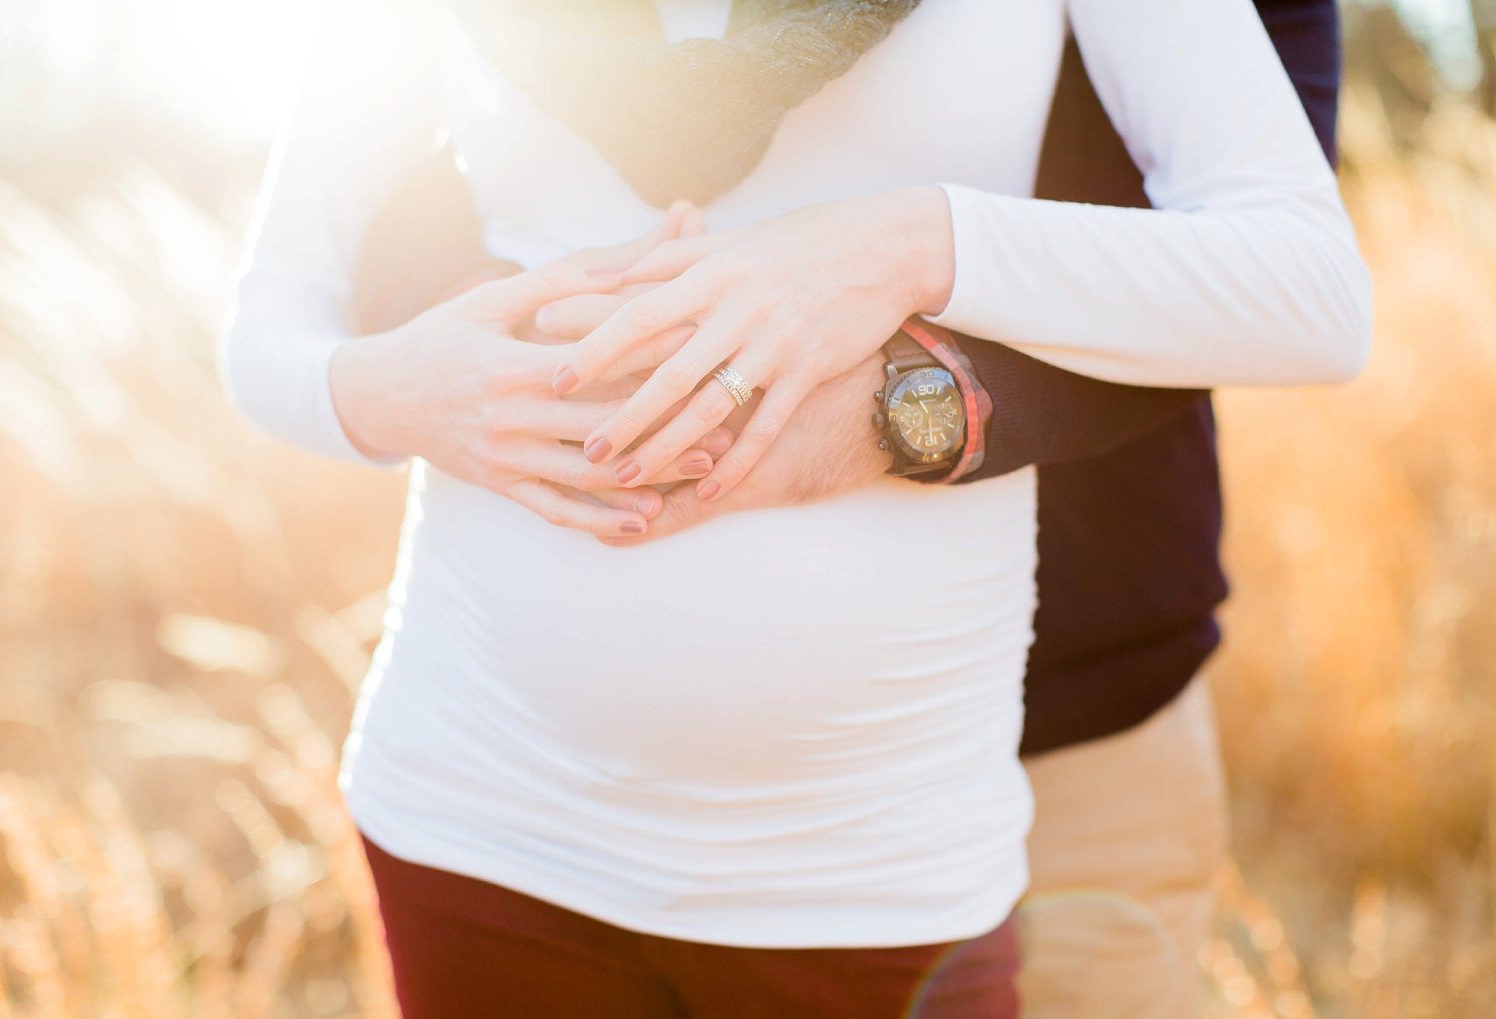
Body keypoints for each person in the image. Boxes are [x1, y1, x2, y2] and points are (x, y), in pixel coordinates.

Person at [222, 1, 1370, 1016]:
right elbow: (276, 310)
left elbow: (1304, 290)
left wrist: (911, 242)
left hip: (874, 867)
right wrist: (387, 390)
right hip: (476, 814)